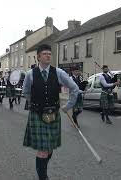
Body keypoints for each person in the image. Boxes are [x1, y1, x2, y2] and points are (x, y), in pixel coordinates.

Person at [23, 44, 79, 180]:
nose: (48, 55)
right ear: (38, 57)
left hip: (53, 114)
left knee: (49, 149)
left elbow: (74, 88)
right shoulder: (30, 74)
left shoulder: (59, 72)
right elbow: (26, 92)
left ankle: (42, 171)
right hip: (37, 115)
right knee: (42, 150)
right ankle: (43, 177)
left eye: (49, 53)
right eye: (45, 53)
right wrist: (36, 106)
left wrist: (68, 106)